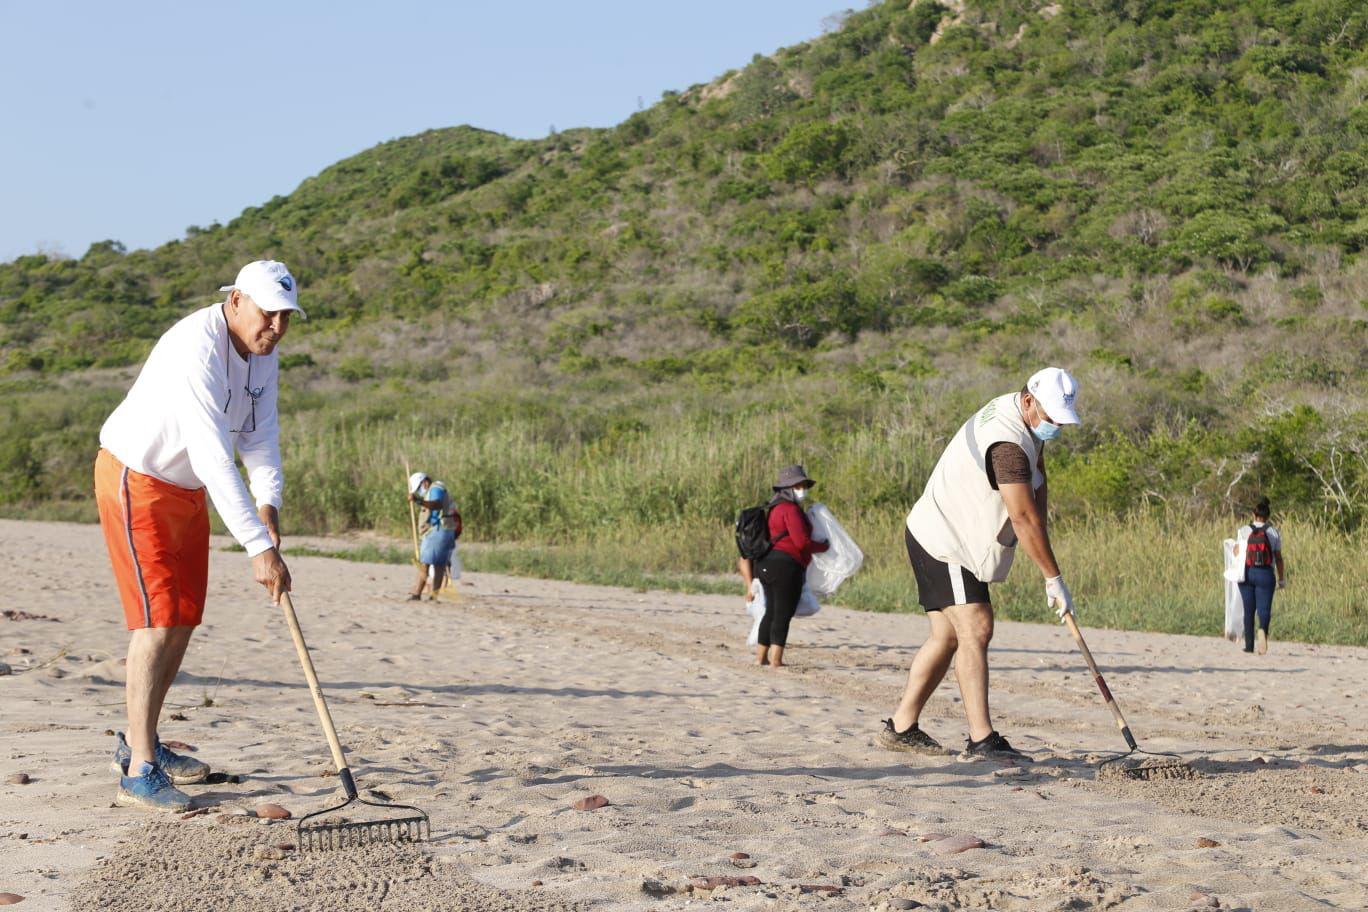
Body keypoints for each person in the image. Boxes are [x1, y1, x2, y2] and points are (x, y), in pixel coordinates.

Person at [95, 260, 301, 812]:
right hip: (137, 478)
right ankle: (138, 770)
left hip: (187, 491)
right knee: (157, 621)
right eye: (268, 314)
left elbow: (261, 435)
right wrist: (257, 547)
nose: (276, 328)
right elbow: (214, 452)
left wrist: (269, 505)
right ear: (236, 301)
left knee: (183, 618)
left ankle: (147, 744)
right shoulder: (197, 345)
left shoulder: (263, 355)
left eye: (286, 318)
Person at [880, 368, 1081, 760]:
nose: (1056, 427)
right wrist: (1053, 578)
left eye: (1061, 420)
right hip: (944, 537)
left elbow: (1037, 480)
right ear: (1029, 401)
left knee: (947, 636)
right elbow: (1021, 517)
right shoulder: (1006, 443)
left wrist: (1043, 536)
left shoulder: (1022, 416)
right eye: (1052, 418)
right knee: (977, 627)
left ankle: (902, 727)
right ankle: (981, 740)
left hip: (945, 529)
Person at [748, 465, 829, 668]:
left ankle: (760, 658)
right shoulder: (791, 510)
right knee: (783, 613)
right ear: (788, 487)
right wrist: (824, 546)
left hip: (766, 565)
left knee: (770, 612)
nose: (802, 489)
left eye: (803, 485)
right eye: (798, 485)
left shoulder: (774, 507)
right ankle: (776, 660)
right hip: (786, 566)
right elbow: (802, 542)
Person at [1232, 497, 1286, 655]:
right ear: (1268, 516)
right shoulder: (1273, 532)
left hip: (1247, 573)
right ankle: (1262, 629)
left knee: (1248, 610)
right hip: (1266, 574)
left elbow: (1236, 552)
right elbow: (1279, 558)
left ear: (1253, 514)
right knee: (1264, 609)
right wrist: (1281, 579)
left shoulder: (1244, 530)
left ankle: (1249, 646)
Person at [407, 472, 462, 600]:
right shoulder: (439, 488)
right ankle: (434, 596)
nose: (419, 492)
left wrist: (418, 500)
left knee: (424, 565)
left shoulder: (435, 489)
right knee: (439, 565)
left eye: (418, 489)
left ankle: (417, 594)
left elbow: (437, 504)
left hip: (438, 531)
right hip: (446, 530)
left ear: (424, 482)